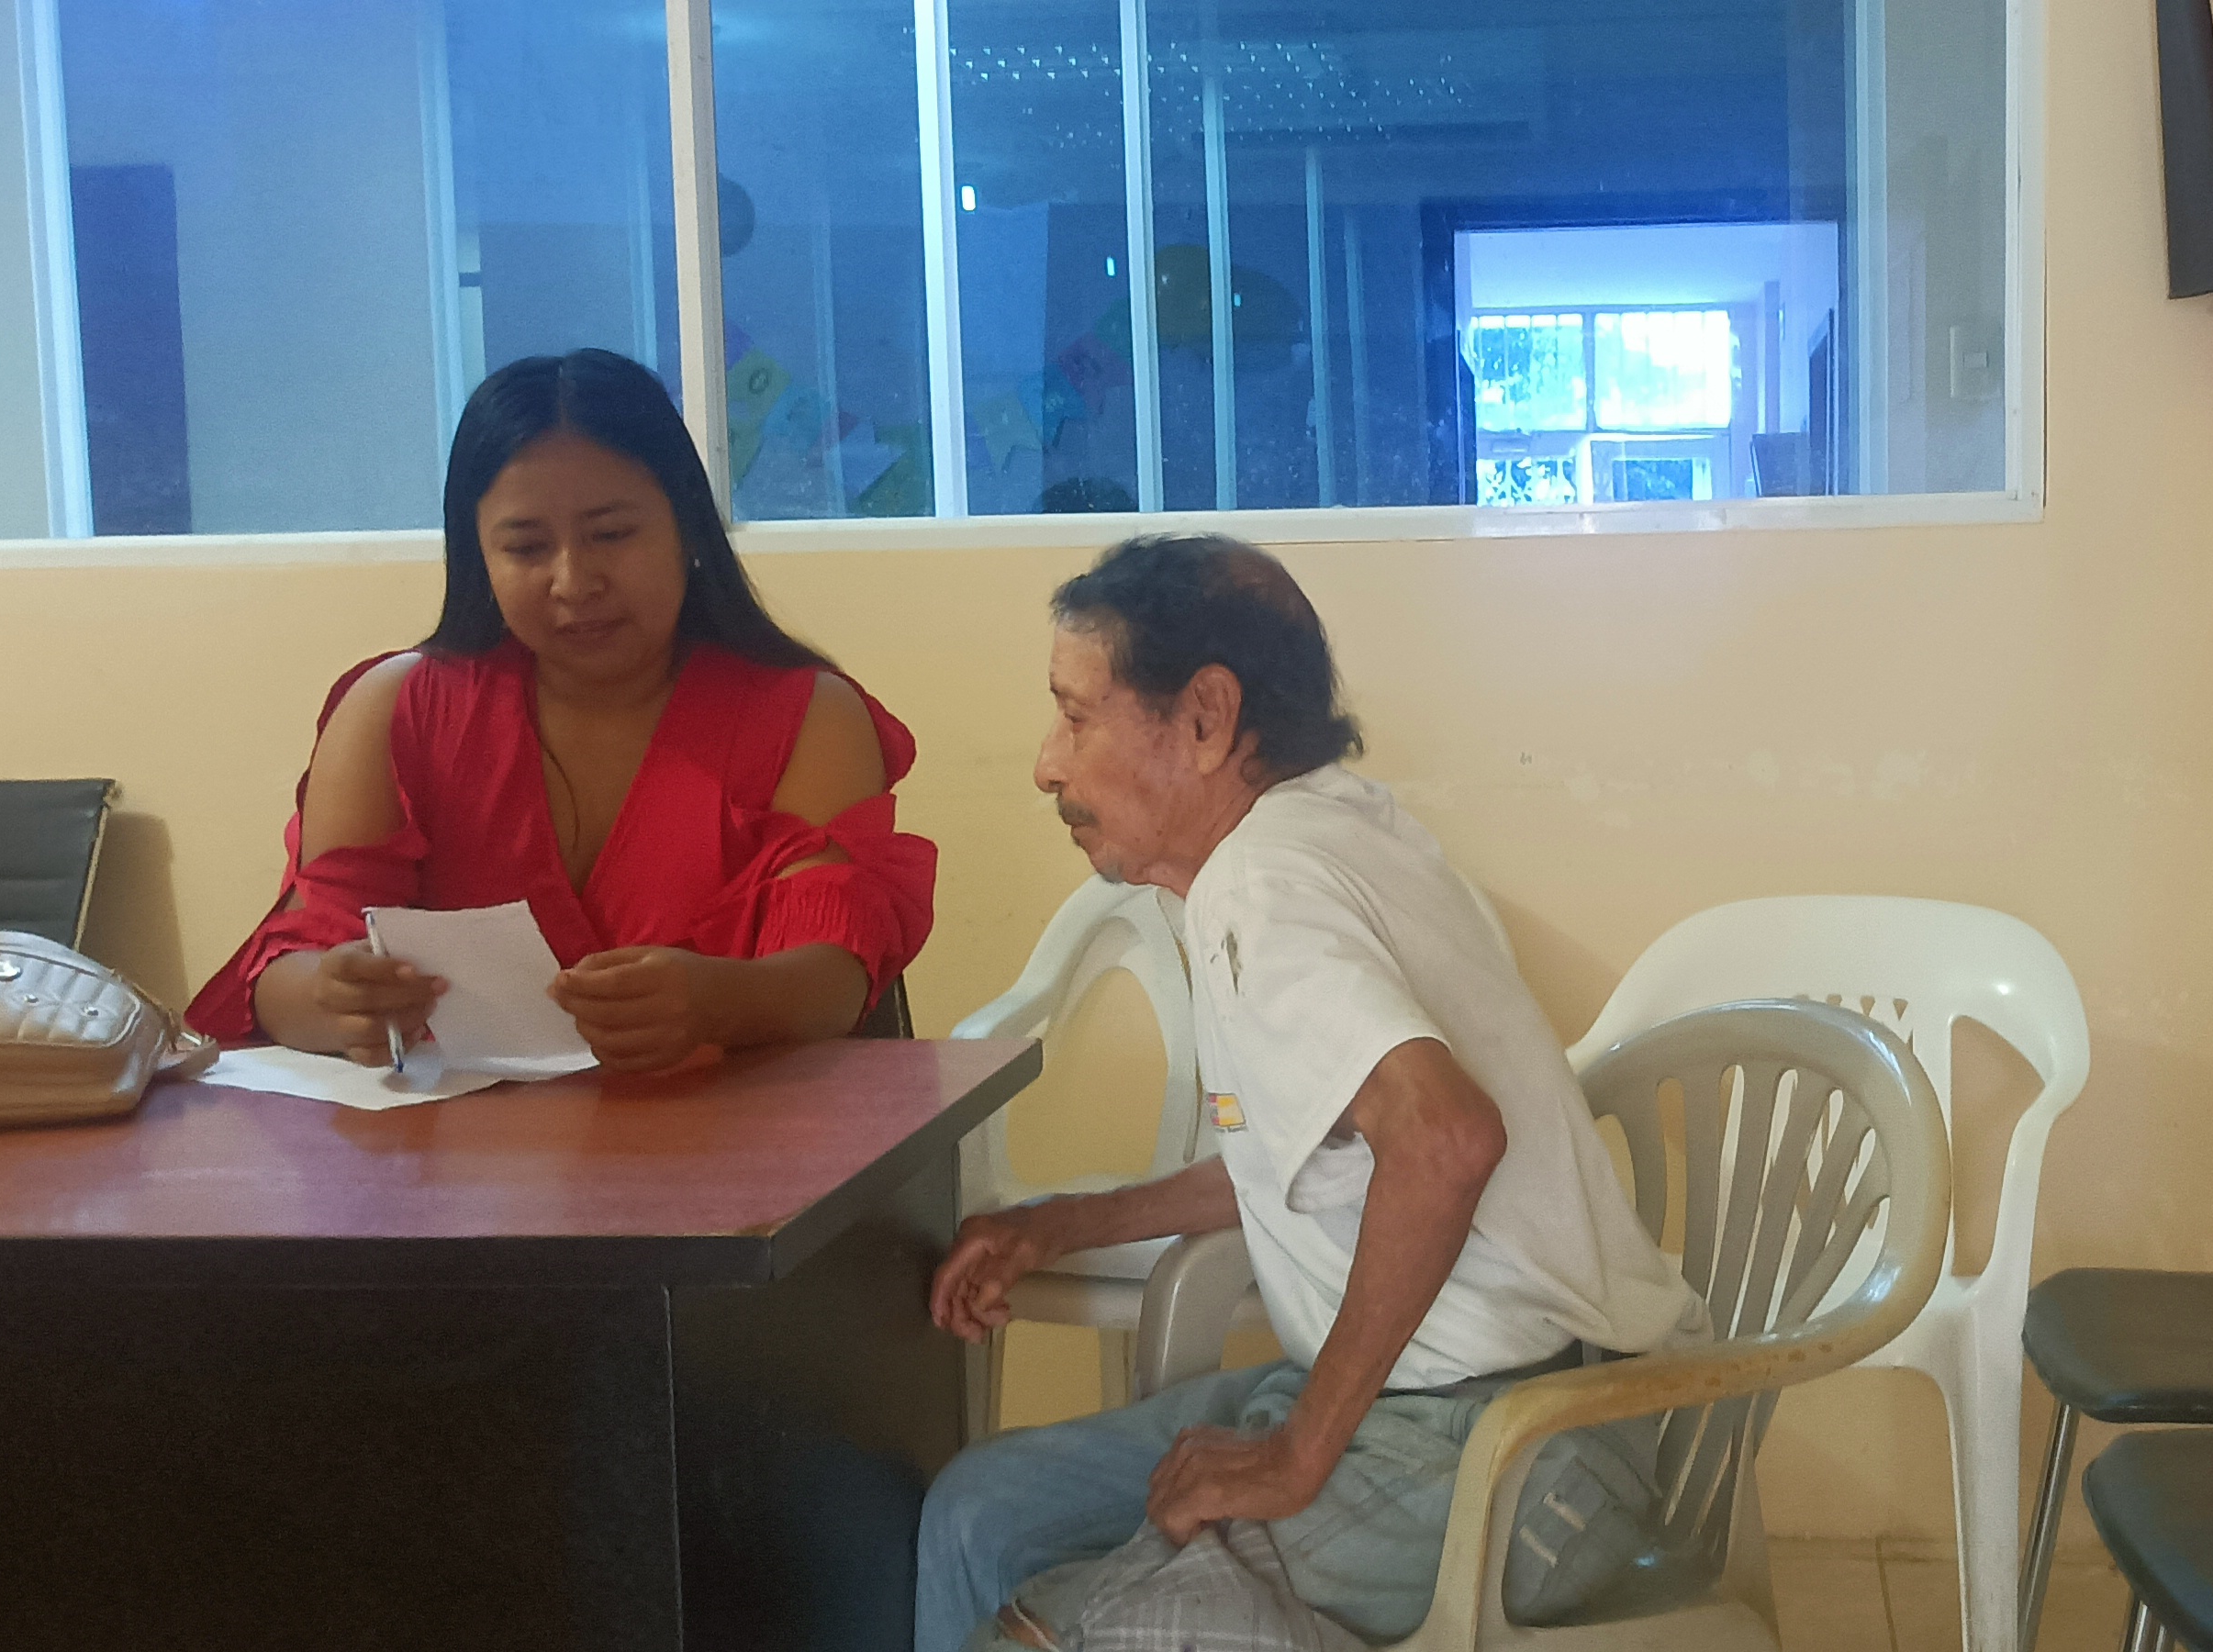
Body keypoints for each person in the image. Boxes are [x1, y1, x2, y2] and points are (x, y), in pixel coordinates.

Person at [916, 534, 1703, 1651]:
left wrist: (1299, 1452)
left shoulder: (1266, 886)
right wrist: (1060, 1226)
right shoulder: (1308, 842)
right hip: (1430, 1406)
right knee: (982, 1514)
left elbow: (1443, 1141)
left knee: (1074, 1631)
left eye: (1076, 717)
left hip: (1522, 1441)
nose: (1048, 765)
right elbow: (1307, 1162)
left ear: (1204, 719)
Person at [187, 349, 936, 1069]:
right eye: (525, 548)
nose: (574, 582)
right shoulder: (395, 710)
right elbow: (286, 969)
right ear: (477, 554)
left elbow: (836, 981)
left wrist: (721, 1003)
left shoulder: (806, 717)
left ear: (687, 527)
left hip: (737, 1139)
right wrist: (335, 997)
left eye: (612, 535)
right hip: (455, 1147)